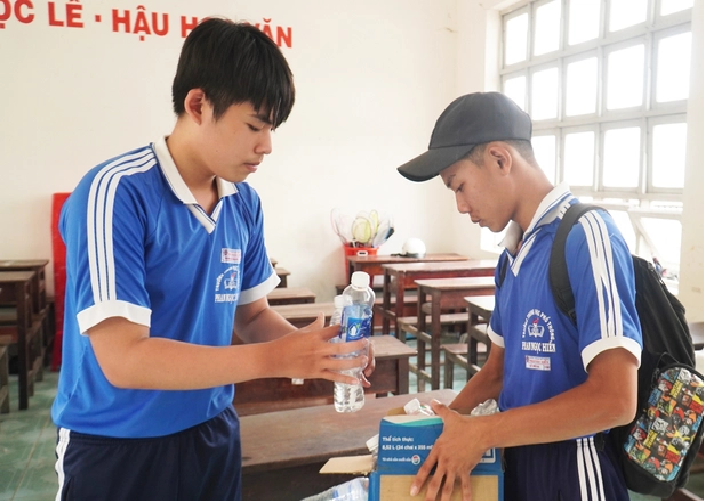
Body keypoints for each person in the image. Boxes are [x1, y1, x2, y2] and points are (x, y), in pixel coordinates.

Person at [51, 18, 373, 501]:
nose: (266, 146)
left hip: (212, 433)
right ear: (198, 105)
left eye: (271, 129)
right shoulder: (116, 192)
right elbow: (123, 359)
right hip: (118, 447)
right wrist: (275, 358)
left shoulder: (243, 202)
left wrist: (316, 354)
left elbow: (252, 315)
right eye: (253, 126)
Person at [397, 92, 643, 501]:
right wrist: (445, 427)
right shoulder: (512, 255)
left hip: (573, 471)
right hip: (517, 462)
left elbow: (615, 400)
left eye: (460, 186)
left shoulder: (586, 234)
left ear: (499, 159)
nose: (460, 206)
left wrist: (481, 432)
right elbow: (497, 372)